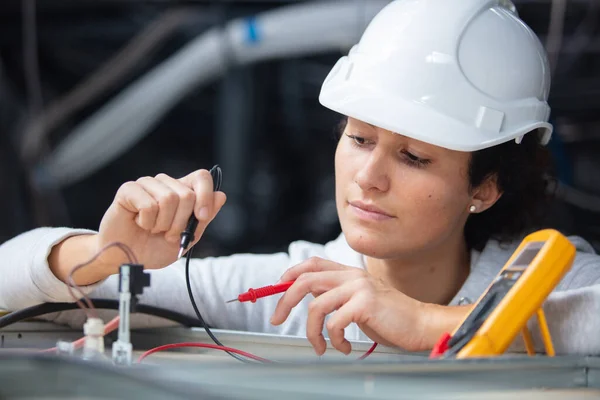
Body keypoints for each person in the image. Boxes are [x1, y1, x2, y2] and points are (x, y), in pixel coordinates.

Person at [2, 0, 600, 356]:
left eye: (413, 157)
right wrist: (105, 256)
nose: (368, 175)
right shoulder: (292, 293)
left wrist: (425, 323)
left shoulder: (554, 278)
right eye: (359, 138)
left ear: (484, 187)